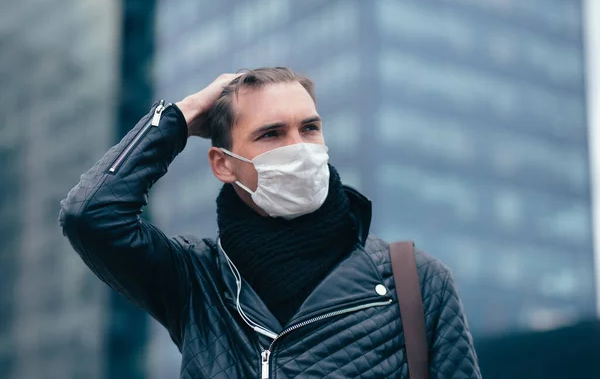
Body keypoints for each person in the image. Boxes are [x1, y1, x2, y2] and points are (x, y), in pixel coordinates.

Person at [59, 67, 481, 378]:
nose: (299, 149)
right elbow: (91, 216)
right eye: (272, 134)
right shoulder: (198, 281)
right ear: (223, 164)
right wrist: (181, 117)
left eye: (310, 128)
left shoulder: (414, 281)